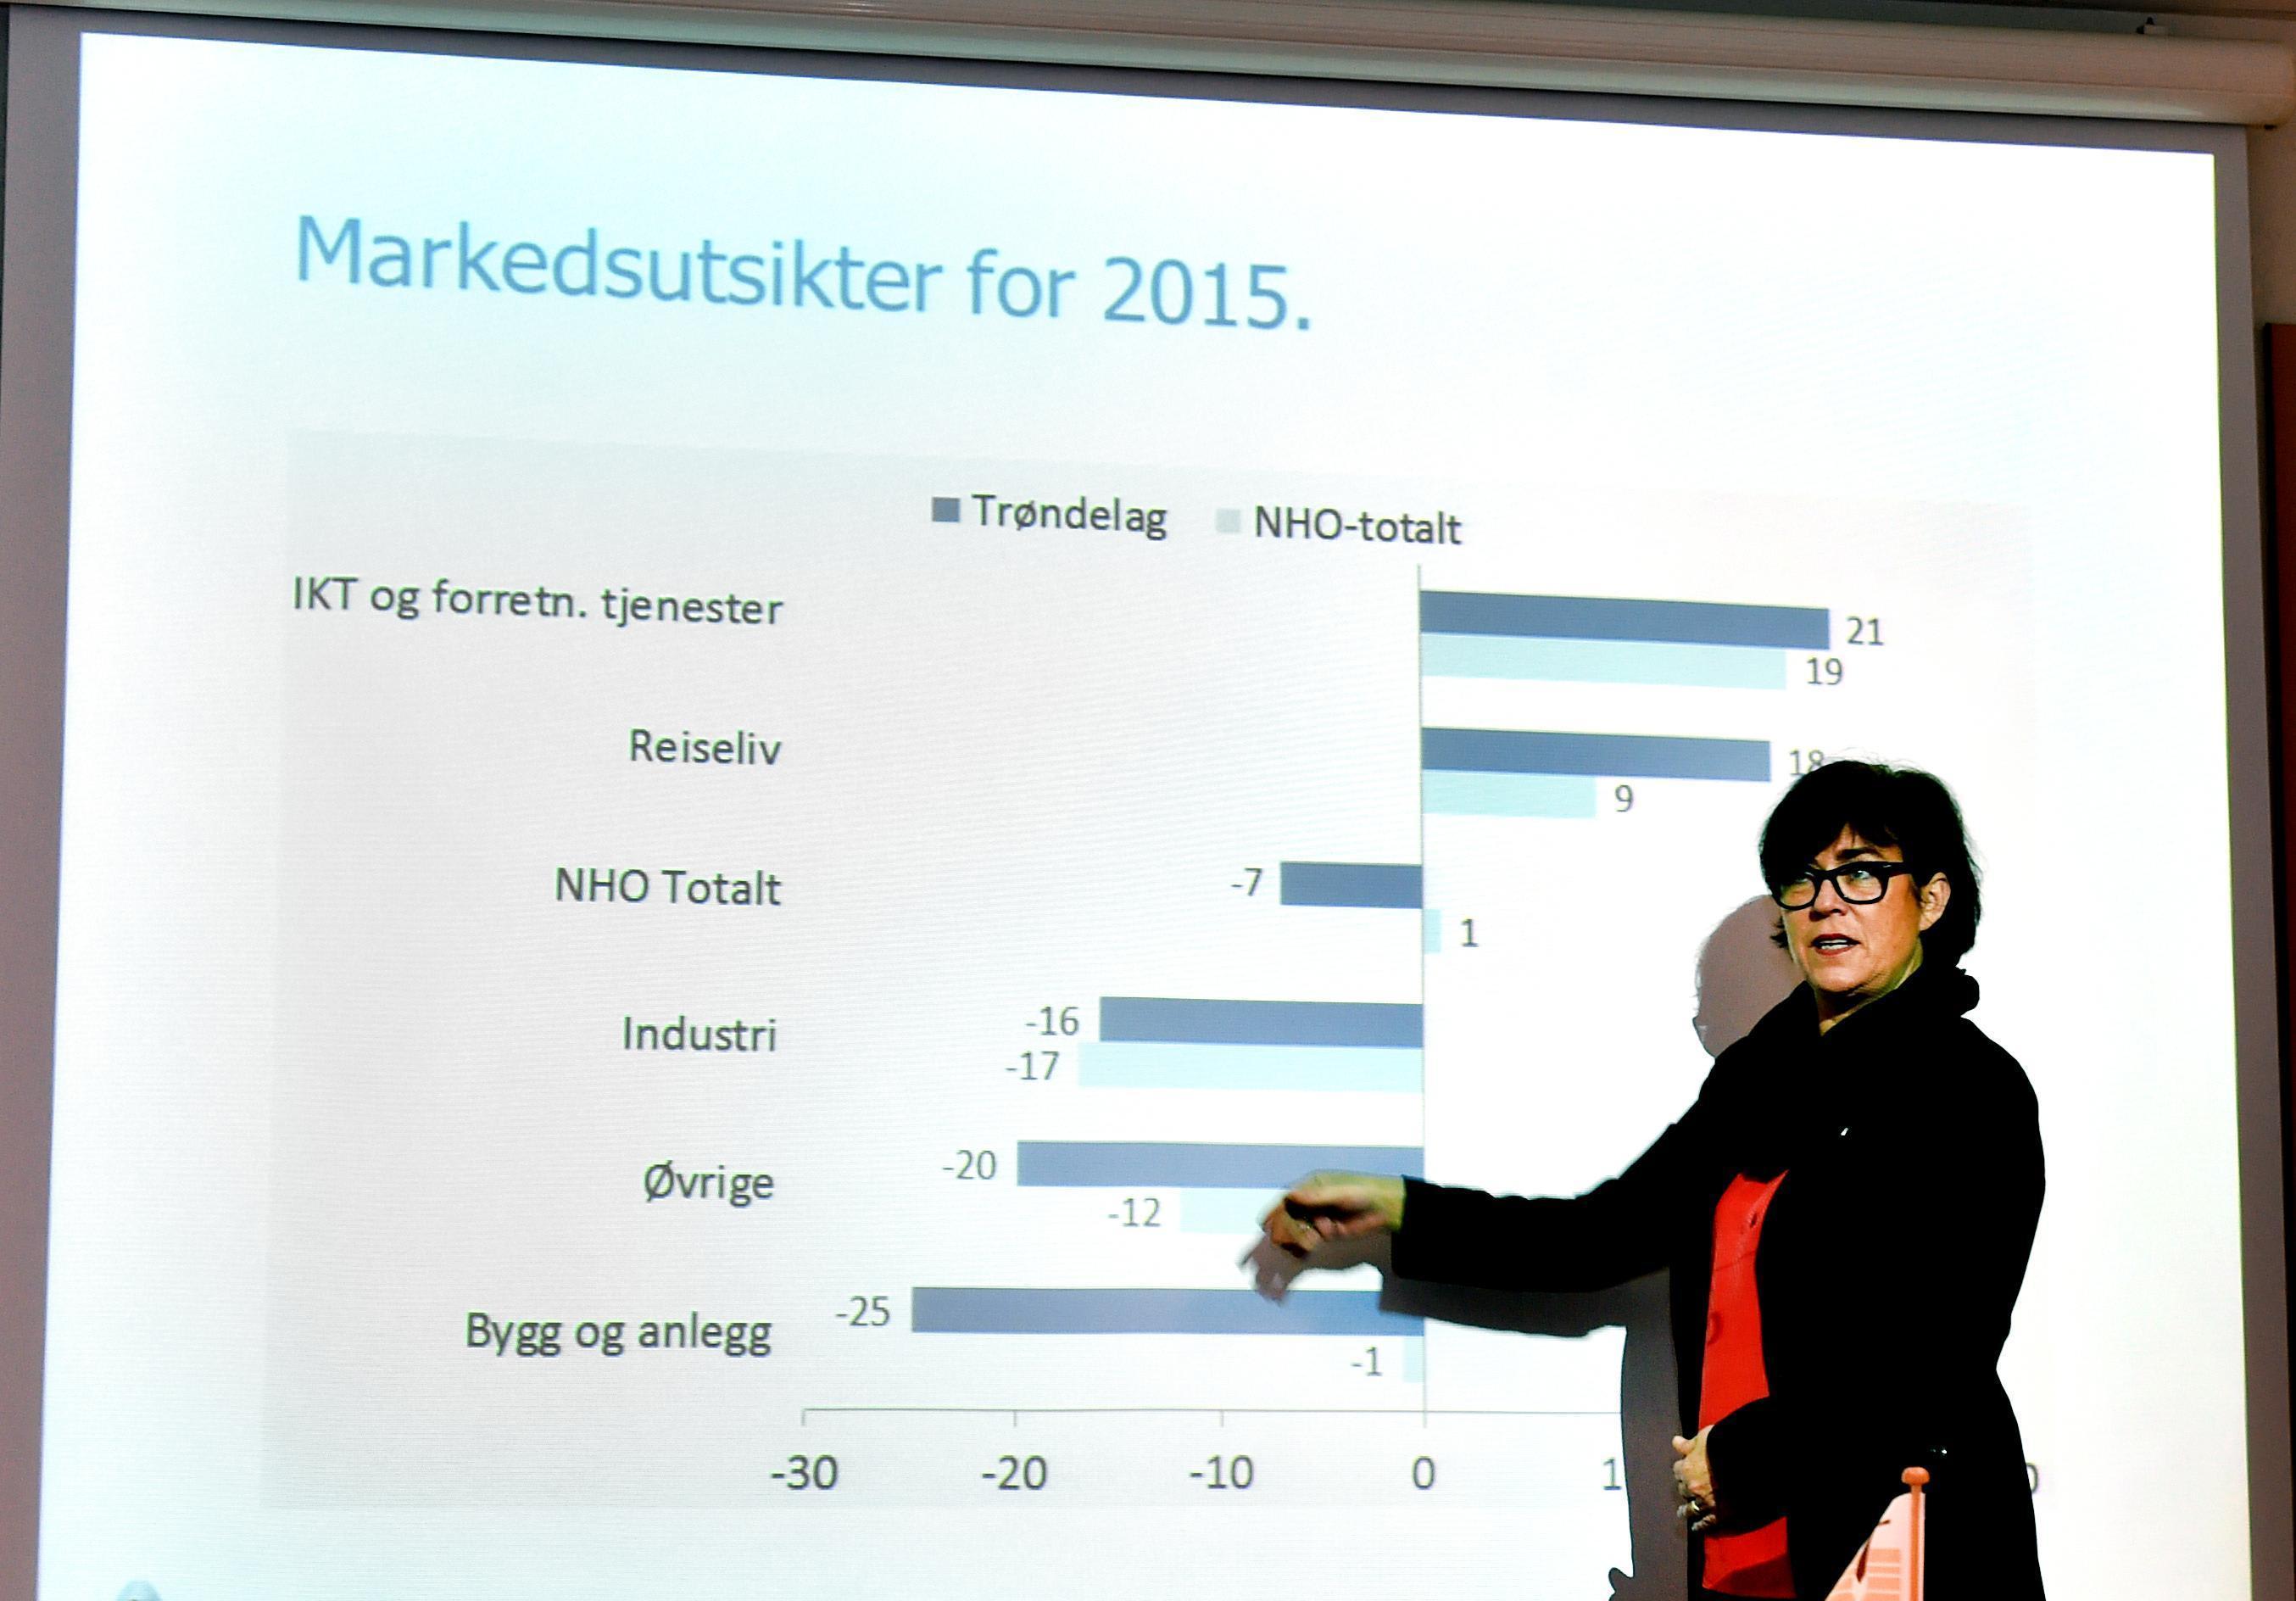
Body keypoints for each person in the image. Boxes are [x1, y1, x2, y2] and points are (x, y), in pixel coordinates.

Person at [1261, 761, 2044, 1599]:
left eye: (1859, 873)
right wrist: (1398, 1206)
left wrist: (1746, 1456)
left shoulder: (1971, 1088)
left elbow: (1935, 1357)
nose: (1825, 902)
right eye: (1802, 878)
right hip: (1743, 1540)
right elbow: (1599, 1235)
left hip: (1897, 1543)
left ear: (1930, 899)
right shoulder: (1753, 1081)